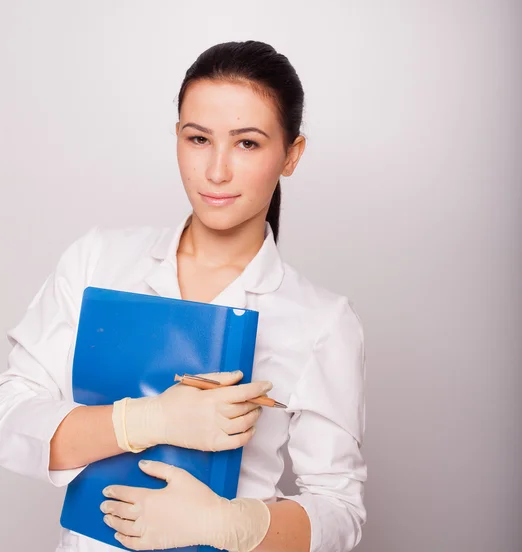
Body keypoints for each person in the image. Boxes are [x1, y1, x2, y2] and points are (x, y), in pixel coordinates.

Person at [0, 41, 367, 552]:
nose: (216, 172)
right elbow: (9, 417)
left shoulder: (321, 321)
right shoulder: (97, 262)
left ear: (292, 154)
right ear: (177, 137)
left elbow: (339, 509)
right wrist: (142, 420)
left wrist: (230, 525)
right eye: (198, 138)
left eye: (247, 144)